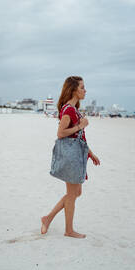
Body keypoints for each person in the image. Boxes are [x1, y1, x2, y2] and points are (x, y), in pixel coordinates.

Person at [41, 76, 100, 239]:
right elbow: (61, 134)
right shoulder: (68, 110)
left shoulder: (73, 109)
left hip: (77, 155)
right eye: (82, 87)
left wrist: (90, 153)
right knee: (72, 194)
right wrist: (80, 125)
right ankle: (68, 230)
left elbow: (79, 137)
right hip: (72, 157)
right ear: (73, 90)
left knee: (76, 193)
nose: (85, 90)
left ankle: (48, 218)